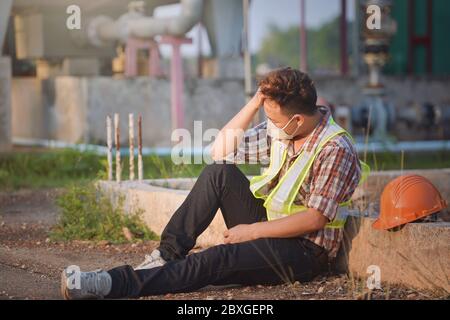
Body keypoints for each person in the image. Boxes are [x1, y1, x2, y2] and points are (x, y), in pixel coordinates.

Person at [61, 67, 364, 299]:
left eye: (272, 119)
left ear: (297, 119)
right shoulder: (284, 130)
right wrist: (256, 101)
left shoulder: (334, 148)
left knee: (217, 259)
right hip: (272, 226)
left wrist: (251, 231)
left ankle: (112, 283)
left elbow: (314, 218)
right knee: (219, 172)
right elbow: (220, 151)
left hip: (304, 251)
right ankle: (166, 255)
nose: (269, 124)